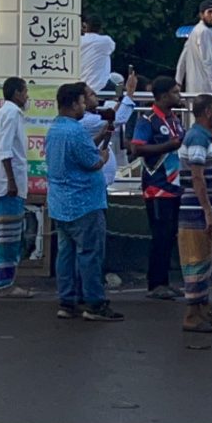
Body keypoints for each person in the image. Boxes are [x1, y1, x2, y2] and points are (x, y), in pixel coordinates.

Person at [45, 81, 119, 322]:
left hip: (60, 203)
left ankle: (68, 301)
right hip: (84, 201)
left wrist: (100, 138)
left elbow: (81, 152)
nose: (85, 106)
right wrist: (104, 156)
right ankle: (94, 303)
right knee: (90, 255)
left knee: (66, 255)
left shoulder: (55, 129)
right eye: (82, 101)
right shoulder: (75, 131)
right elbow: (93, 161)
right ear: (75, 103)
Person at [177, 93, 212, 336]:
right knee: (196, 264)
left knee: (202, 263)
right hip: (196, 213)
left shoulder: (201, 137)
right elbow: (197, 178)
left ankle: (201, 310)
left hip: (198, 211)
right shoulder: (198, 138)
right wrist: (208, 212)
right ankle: (192, 315)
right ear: (208, 112)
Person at [132, 75, 185, 299]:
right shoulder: (148, 120)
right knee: (160, 235)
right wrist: (166, 146)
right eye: (175, 92)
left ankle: (164, 281)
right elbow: (137, 148)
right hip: (156, 186)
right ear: (163, 96)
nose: (179, 96)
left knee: (170, 234)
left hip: (174, 184)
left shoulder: (174, 119)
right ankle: (155, 284)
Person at [0, 78, 37, 299]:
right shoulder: (13, 114)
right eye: (25, 92)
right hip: (8, 186)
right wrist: (12, 181)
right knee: (9, 237)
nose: (27, 96)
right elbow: (6, 151)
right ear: (16, 93)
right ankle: (6, 285)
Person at [178, 3, 212, 96]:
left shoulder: (195, 31)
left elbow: (183, 58)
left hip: (193, 88)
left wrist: (178, 81)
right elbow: (208, 61)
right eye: (209, 12)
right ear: (201, 15)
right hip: (206, 88)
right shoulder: (204, 31)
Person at [78, 16, 116, 91]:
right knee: (121, 91)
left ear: (84, 25)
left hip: (81, 84)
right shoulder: (106, 41)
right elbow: (111, 49)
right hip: (101, 85)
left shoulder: (77, 40)